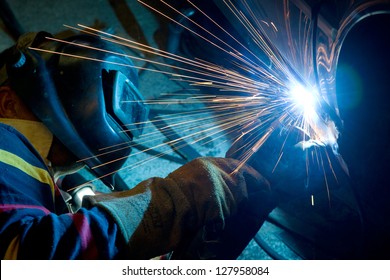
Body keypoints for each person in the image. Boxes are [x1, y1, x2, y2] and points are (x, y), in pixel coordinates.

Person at [0, 31, 276, 259]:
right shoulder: (6, 140)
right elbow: (26, 256)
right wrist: (176, 200)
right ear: (6, 102)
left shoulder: (56, 194)